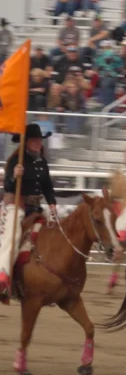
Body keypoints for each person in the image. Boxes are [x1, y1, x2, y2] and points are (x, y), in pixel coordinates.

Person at [0, 124, 59, 301]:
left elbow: (47, 186)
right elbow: (8, 187)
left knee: (56, 230)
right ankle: (3, 277)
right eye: (34, 140)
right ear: (26, 142)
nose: (38, 142)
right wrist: (14, 176)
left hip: (35, 207)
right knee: (13, 236)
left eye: (39, 140)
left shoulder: (42, 162)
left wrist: (52, 204)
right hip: (16, 204)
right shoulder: (15, 161)